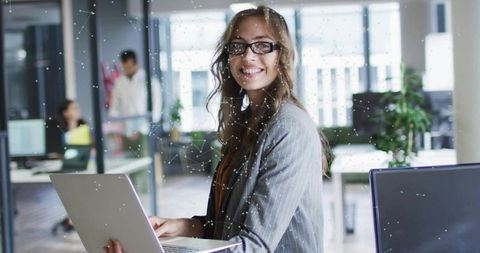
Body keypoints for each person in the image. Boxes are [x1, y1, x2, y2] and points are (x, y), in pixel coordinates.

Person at [105, 6, 325, 253]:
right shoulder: (247, 124)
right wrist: (184, 227)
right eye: (238, 46)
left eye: (262, 45)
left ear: (281, 55)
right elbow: (228, 228)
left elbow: (254, 247)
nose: (248, 56)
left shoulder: (288, 128)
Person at [52, 99, 92, 235]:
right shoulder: (58, 130)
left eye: (77, 108)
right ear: (65, 113)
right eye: (74, 108)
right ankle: (72, 219)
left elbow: (91, 148)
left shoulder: (84, 127)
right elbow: (55, 152)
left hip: (84, 166)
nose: (78, 111)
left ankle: (73, 220)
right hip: (66, 168)